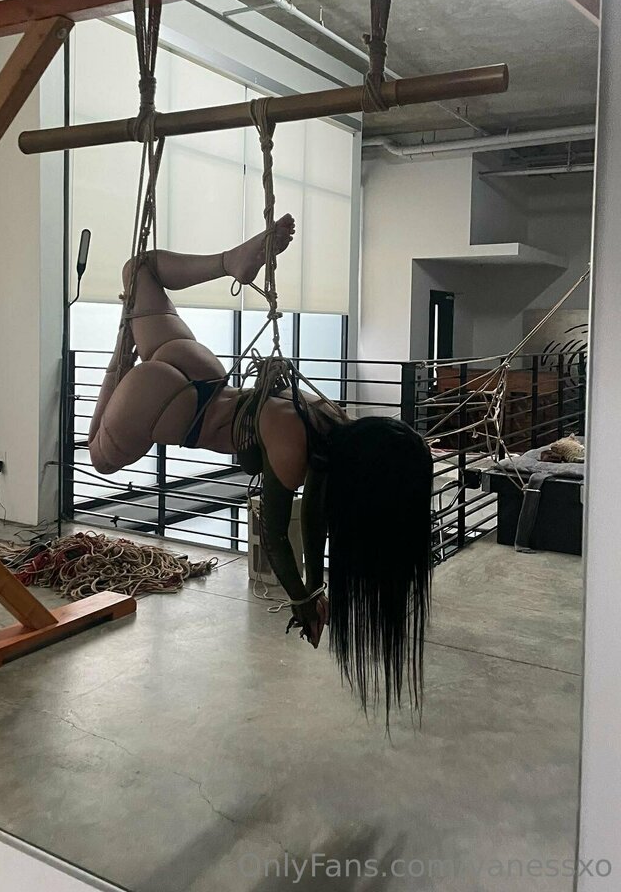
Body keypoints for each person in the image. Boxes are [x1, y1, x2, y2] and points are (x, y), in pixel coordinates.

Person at [87, 215, 433, 721]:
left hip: (201, 371)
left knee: (139, 270)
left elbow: (313, 517)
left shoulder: (329, 418)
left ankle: (229, 262)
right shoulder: (295, 450)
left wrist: (316, 588)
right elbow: (277, 536)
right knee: (99, 456)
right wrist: (302, 601)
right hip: (168, 405)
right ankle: (122, 360)